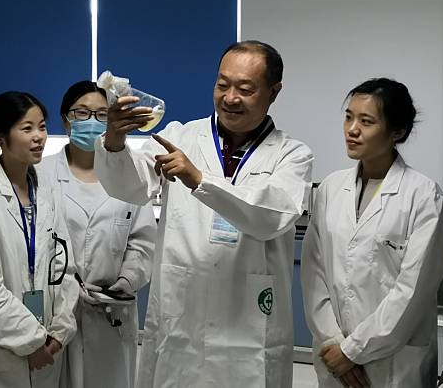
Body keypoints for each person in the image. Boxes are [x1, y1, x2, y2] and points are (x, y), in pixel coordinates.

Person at [94, 41, 314, 387]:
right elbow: (130, 186)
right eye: (222, 84)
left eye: (245, 89)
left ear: (274, 92)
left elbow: (271, 215)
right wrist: (115, 141)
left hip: (250, 335)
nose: (230, 97)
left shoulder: (292, 155)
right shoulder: (180, 137)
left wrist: (199, 180)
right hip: (181, 327)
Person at [302, 78, 443, 388]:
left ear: (397, 132)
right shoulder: (330, 188)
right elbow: (314, 273)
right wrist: (333, 344)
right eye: (348, 116)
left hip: (393, 362)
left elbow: (413, 291)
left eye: (366, 121)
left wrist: (353, 351)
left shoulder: (422, 195)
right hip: (334, 357)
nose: (352, 129)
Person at [37, 80, 156, 388]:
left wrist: (126, 281)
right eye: (81, 113)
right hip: (55, 316)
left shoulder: (131, 177)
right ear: (65, 120)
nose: (92, 122)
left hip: (112, 316)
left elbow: (142, 243)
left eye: (102, 115)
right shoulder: (39, 175)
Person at [0, 91, 78, 388]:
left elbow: (66, 268)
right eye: (27, 128)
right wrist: (31, 341)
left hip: (49, 349)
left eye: (42, 127)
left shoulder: (47, 190)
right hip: (3, 352)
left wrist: (59, 332)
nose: (39, 136)